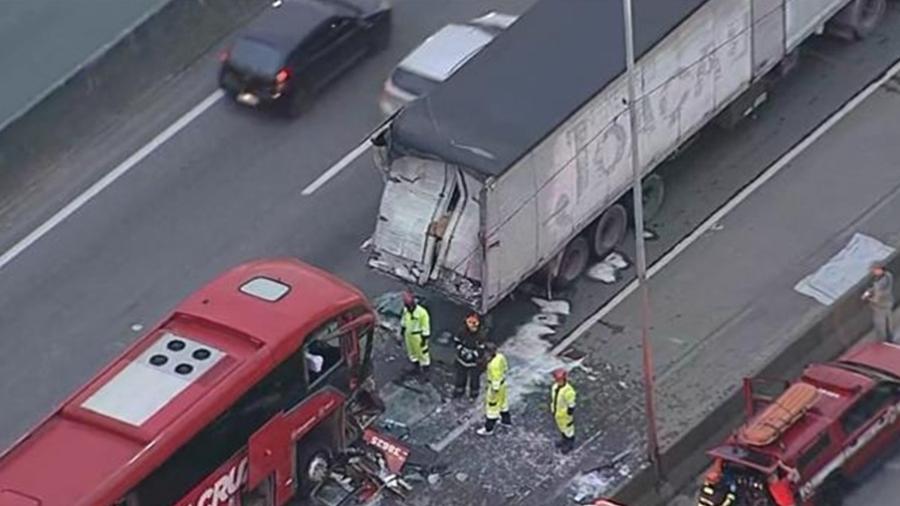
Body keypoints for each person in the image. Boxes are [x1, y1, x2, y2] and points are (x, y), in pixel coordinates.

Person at [476, 342, 511, 435]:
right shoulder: (500, 357)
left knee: (492, 408)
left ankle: (488, 429)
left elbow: (495, 379)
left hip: (495, 388)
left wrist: (494, 391)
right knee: (503, 404)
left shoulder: (492, 365)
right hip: (503, 385)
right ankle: (506, 421)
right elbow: (505, 368)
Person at [453, 313, 487, 400]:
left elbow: (481, 350)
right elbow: (456, 342)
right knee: (460, 377)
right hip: (461, 360)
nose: (472, 325)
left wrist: (473, 354)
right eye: (470, 322)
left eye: (474, 323)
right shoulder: (461, 331)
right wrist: (462, 350)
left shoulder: (480, 336)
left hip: (474, 363)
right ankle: (459, 391)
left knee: (474, 379)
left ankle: (473, 394)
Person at [400, 290, 431, 378]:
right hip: (408, 335)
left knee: (423, 354)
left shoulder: (422, 313)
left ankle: (426, 372)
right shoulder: (406, 310)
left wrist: (424, 340)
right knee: (412, 352)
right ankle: (415, 367)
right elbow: (404, 321)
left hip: (418, 336)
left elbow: (425, 326)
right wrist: (402, 332)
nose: (407, 306)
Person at [863, 262, 894, 342]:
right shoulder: (888, 275)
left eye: (874, 270)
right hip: (888, 302)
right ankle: (890, 338)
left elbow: (877, 296)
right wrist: (869, 291)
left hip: (881, 305)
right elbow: (875, 288)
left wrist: (869, 298)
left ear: (879, 269)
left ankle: (882, 341)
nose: (873, 272)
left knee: (879, 323)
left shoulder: (881, 282)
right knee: (888, 321)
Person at [550, 368, 577, 454]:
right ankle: (564, 440)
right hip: (557, 412)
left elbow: (571, 403)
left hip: (565, 414)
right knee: (562, 428)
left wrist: (569, 412)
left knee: (568, 429)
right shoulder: (555, 387)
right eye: (557, 379)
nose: (558, 381)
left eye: (560, 379)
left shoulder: (568, 391)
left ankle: (569, 444)